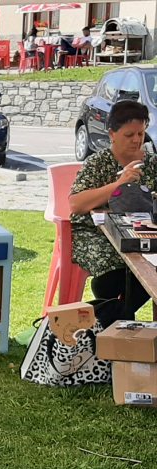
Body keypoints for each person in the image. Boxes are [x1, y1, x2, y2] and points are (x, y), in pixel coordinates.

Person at [69, 100, 157, 318]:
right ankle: (117, 318)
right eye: (129, 135)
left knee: (147, 269)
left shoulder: (153, 164)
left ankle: (115, 316)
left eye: (141, 133)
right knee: (115, 272)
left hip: (142, 231)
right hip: (97, 234)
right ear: (112, 134)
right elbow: (76, 204)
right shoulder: (97, 163)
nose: (137, 140)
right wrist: (119, 184)